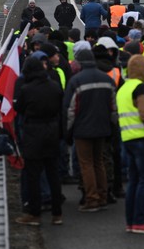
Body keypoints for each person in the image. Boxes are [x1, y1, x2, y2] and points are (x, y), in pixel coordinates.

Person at [63, 50, 118, 212]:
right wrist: (112, 127)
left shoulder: (76, 81)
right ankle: (102, 196)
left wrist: (67, 132)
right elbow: (113, 108)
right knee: (99, 162)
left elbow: (70, 110)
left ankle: (91, 198)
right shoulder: (107, 79)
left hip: (83, 129)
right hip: (103, 128)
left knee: (86, 164)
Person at [14, 57, 64, 226]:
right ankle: (57, 213)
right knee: (53, 174)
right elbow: (61, 108)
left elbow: (18, 108)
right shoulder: (54, 87)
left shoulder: (26, 89)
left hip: (33, 133)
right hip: (52, 131)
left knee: (33, 175)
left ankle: (34, 213)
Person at [117, 55, 144, 234]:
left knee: (134, 181)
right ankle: (141, 221)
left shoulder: (124, 88)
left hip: (128, 138)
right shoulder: (141, 88)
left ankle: (131, 222)